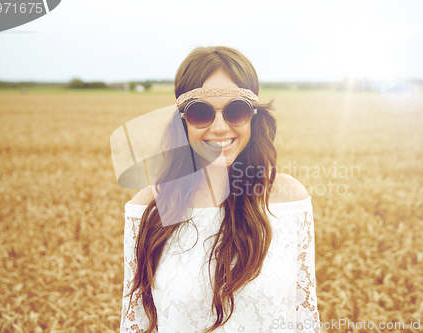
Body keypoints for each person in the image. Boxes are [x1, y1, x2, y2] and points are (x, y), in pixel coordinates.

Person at [120, 46, 320, 332]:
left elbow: (305, 318)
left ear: (253, 116)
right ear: (182, 120)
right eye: (200, 113)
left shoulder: (289, 199)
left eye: (235, 111)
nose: (219, 127)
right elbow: (136, 322)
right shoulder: (147, 207)